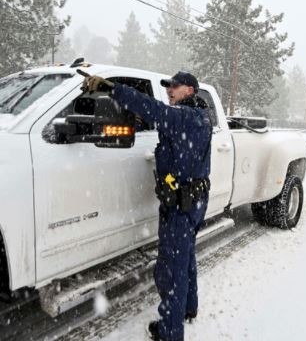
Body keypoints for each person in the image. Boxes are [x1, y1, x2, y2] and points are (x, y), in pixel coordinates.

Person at [81, 70, 212, 341]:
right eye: (167, 86)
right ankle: (188, 307)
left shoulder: (186, 118)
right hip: (191, 200)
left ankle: (169, 332)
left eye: (174, 86)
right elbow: (160, 121)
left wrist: (114, 89)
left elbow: (155, 110)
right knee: (185, 257)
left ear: (190, 89)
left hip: (181, 204)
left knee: (170, 269)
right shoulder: (194, 118)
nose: (169, 90)